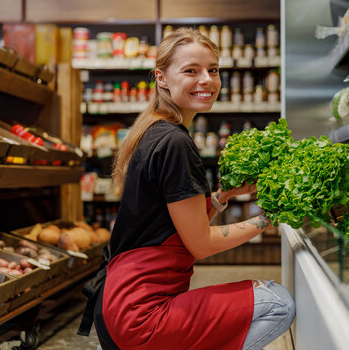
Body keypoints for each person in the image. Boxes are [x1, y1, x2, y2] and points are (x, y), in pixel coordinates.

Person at [78, 28, 295, 350]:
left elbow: (168, 225)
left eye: (213, 69)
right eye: (191, 70)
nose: (206, 80)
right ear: (162, 78)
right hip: (139, 316)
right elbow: (201, 244)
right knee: (278, 301)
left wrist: (221, 198)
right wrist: (271, 218)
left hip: (118, 303)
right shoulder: (175, 142)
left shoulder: (153, 130)